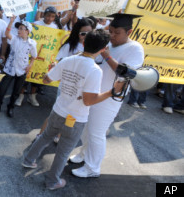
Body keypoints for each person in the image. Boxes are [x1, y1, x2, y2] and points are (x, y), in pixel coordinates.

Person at [22, 30, 119, 190]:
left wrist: (55, 69)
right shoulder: (95, 70)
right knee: (63, 151)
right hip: (75, 118)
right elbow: (89, 101)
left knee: (45, 137)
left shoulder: (68, 60)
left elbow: (47, 79)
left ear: (83, 42)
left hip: (58, 110)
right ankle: (52, 181)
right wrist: (111, 92)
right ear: (103, 49)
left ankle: (28, 160)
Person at [69, 13, 145, 178]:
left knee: (96, 132)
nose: (112, 35)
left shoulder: (135, 48)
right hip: (92, 92)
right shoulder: (108, 42)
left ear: (129, 32)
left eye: (116, 32)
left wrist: (107, 55)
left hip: (109, 98)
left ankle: (92, 168)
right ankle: (83, 154)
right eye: (110, 31)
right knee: (85, 127)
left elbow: (126, 73)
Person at [0, 17, 37, 118]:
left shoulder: (32, 44)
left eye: (21, 28)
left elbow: (34, 56)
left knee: (16, 92)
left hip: (22, 70)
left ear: (27, 31)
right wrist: (11, 22)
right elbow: (7, 34)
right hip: (9, 69)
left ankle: (10, 108)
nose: (18, 30)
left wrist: (30, 65)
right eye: (18, 28)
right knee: (2, 89)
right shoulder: (15, 39)